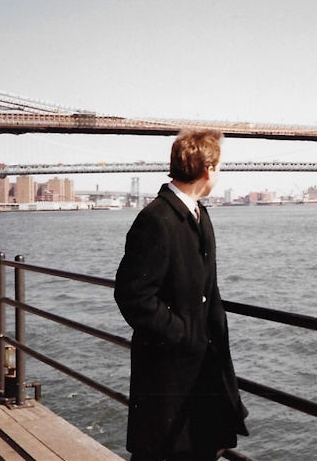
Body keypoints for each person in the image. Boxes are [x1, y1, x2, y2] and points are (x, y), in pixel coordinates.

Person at [115, 129, 248, 461]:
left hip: (202, 368)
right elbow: (132, 295)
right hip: (167, 370)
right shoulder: (156, 219)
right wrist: (181, 332)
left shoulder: (199, 216)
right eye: (219, 166)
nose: (219, 173)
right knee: (164, 452)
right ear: (207, 170)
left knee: (199, 448)